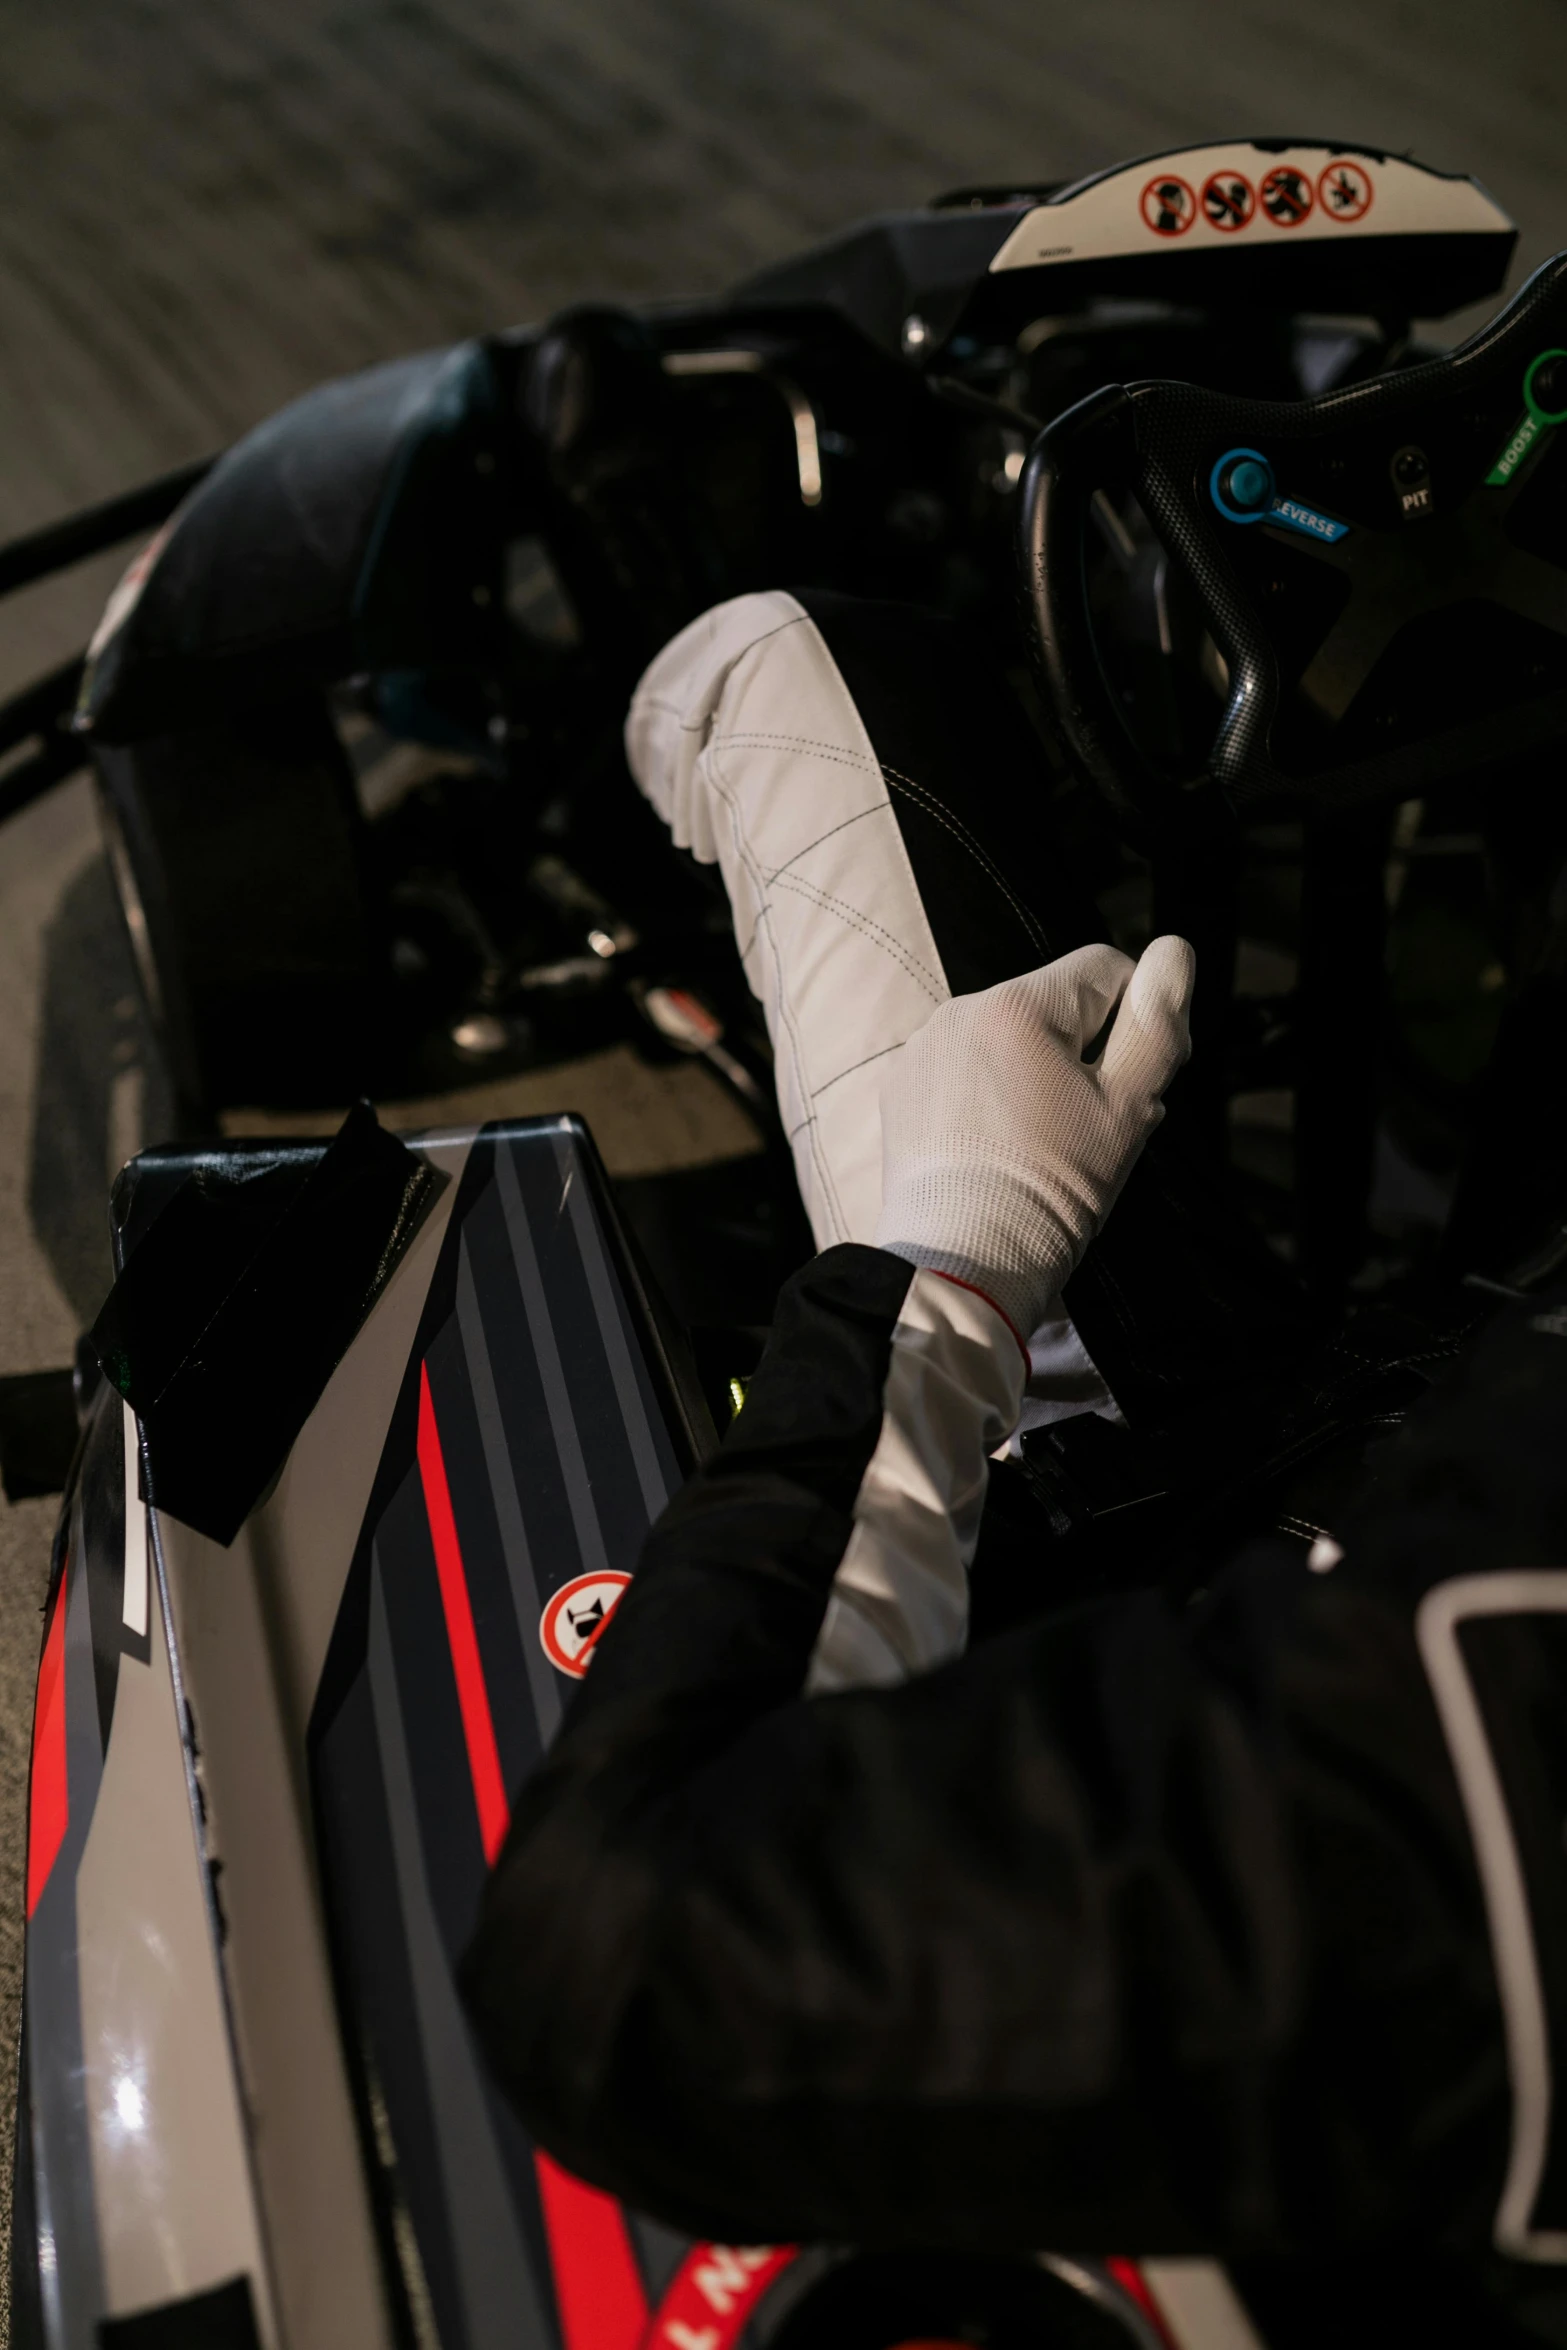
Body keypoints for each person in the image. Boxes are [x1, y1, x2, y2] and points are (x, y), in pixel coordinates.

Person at [461, 589, 1567, 2281]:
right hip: (1367, 1499)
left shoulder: (1447, 1795)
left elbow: (625, 1959)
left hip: (1197, 1567)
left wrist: (941, 1267)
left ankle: (559, 635)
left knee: (780, 653)